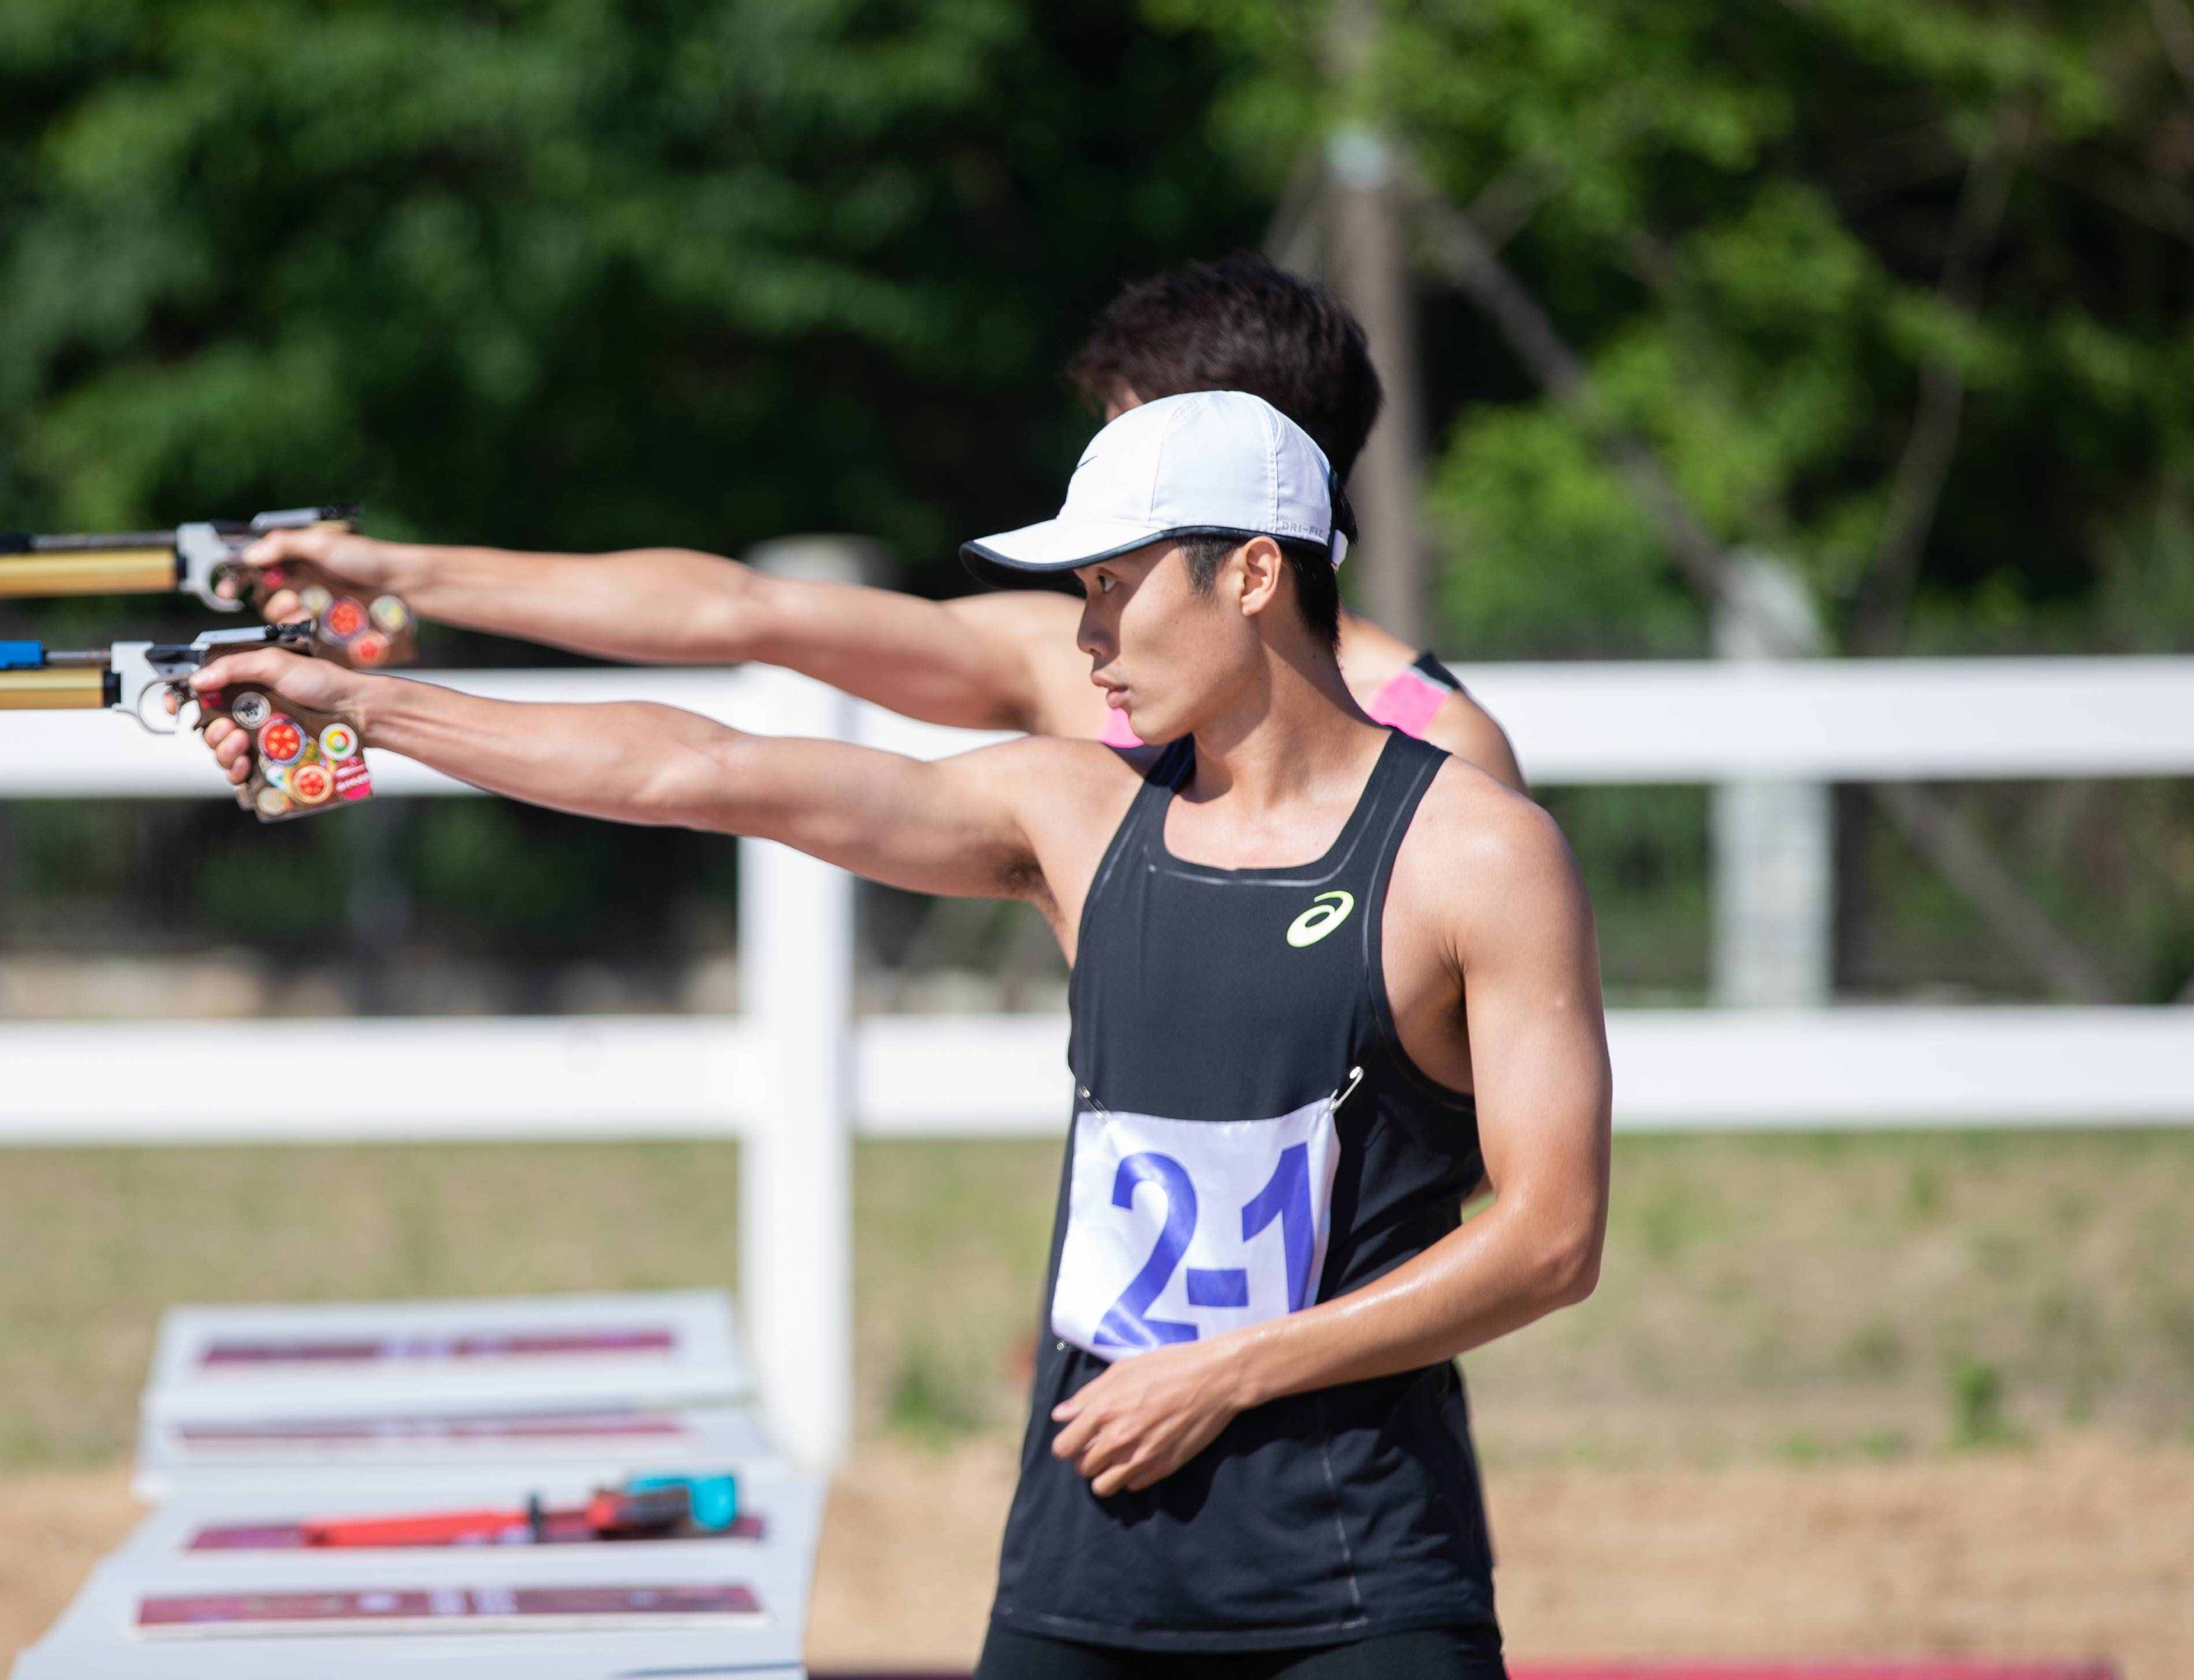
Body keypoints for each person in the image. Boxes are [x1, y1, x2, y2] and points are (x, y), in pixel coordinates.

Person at [192, 391, 1612, 1677]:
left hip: (1362, 1585)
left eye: (1115, 588)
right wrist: (373, 706)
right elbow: (704, 770)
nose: (1085, 637)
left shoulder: (1476, 853)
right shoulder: (1074, 813)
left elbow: (1551, 1237)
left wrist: (1234, 1366)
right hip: (1082, 1567)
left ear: (1250, 575)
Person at [236, 259, 1528, 791]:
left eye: (1131, 436)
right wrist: (398, 573)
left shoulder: (1440, 751)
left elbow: (1486, 1130)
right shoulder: (1065, 667)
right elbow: (736, 619)